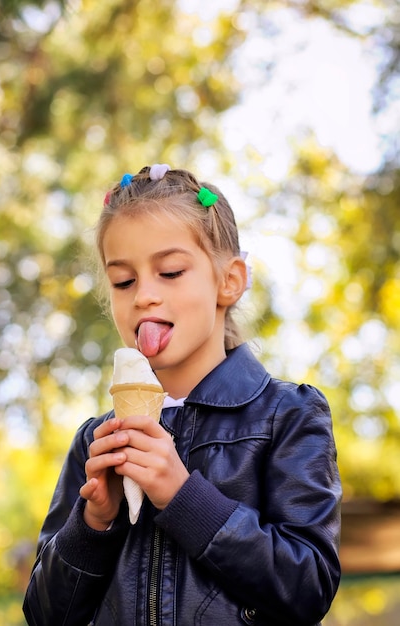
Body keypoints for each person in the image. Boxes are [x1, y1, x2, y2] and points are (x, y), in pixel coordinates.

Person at [23, 165, 341, 626]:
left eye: (169, 272)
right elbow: (45, 615)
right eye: (123, 281)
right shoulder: (96, 440)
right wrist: (94, 523)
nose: (144, 296)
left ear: (229, 281)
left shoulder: (287, 415)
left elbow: (308, 588)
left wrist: (183, 495)